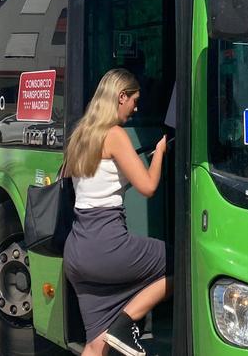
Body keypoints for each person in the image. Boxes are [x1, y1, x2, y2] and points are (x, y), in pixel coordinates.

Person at [63, 68, 169, 356]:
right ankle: (125, 324)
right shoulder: (115, 134)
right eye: (134, 100)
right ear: (121, 97)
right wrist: (159, 154)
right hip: (106, 244)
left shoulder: (81, 134)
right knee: (182, 264)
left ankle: (115, 329)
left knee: (95, 344)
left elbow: (98, 183)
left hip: (77, 250)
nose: (135, 108)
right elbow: (147, 187)